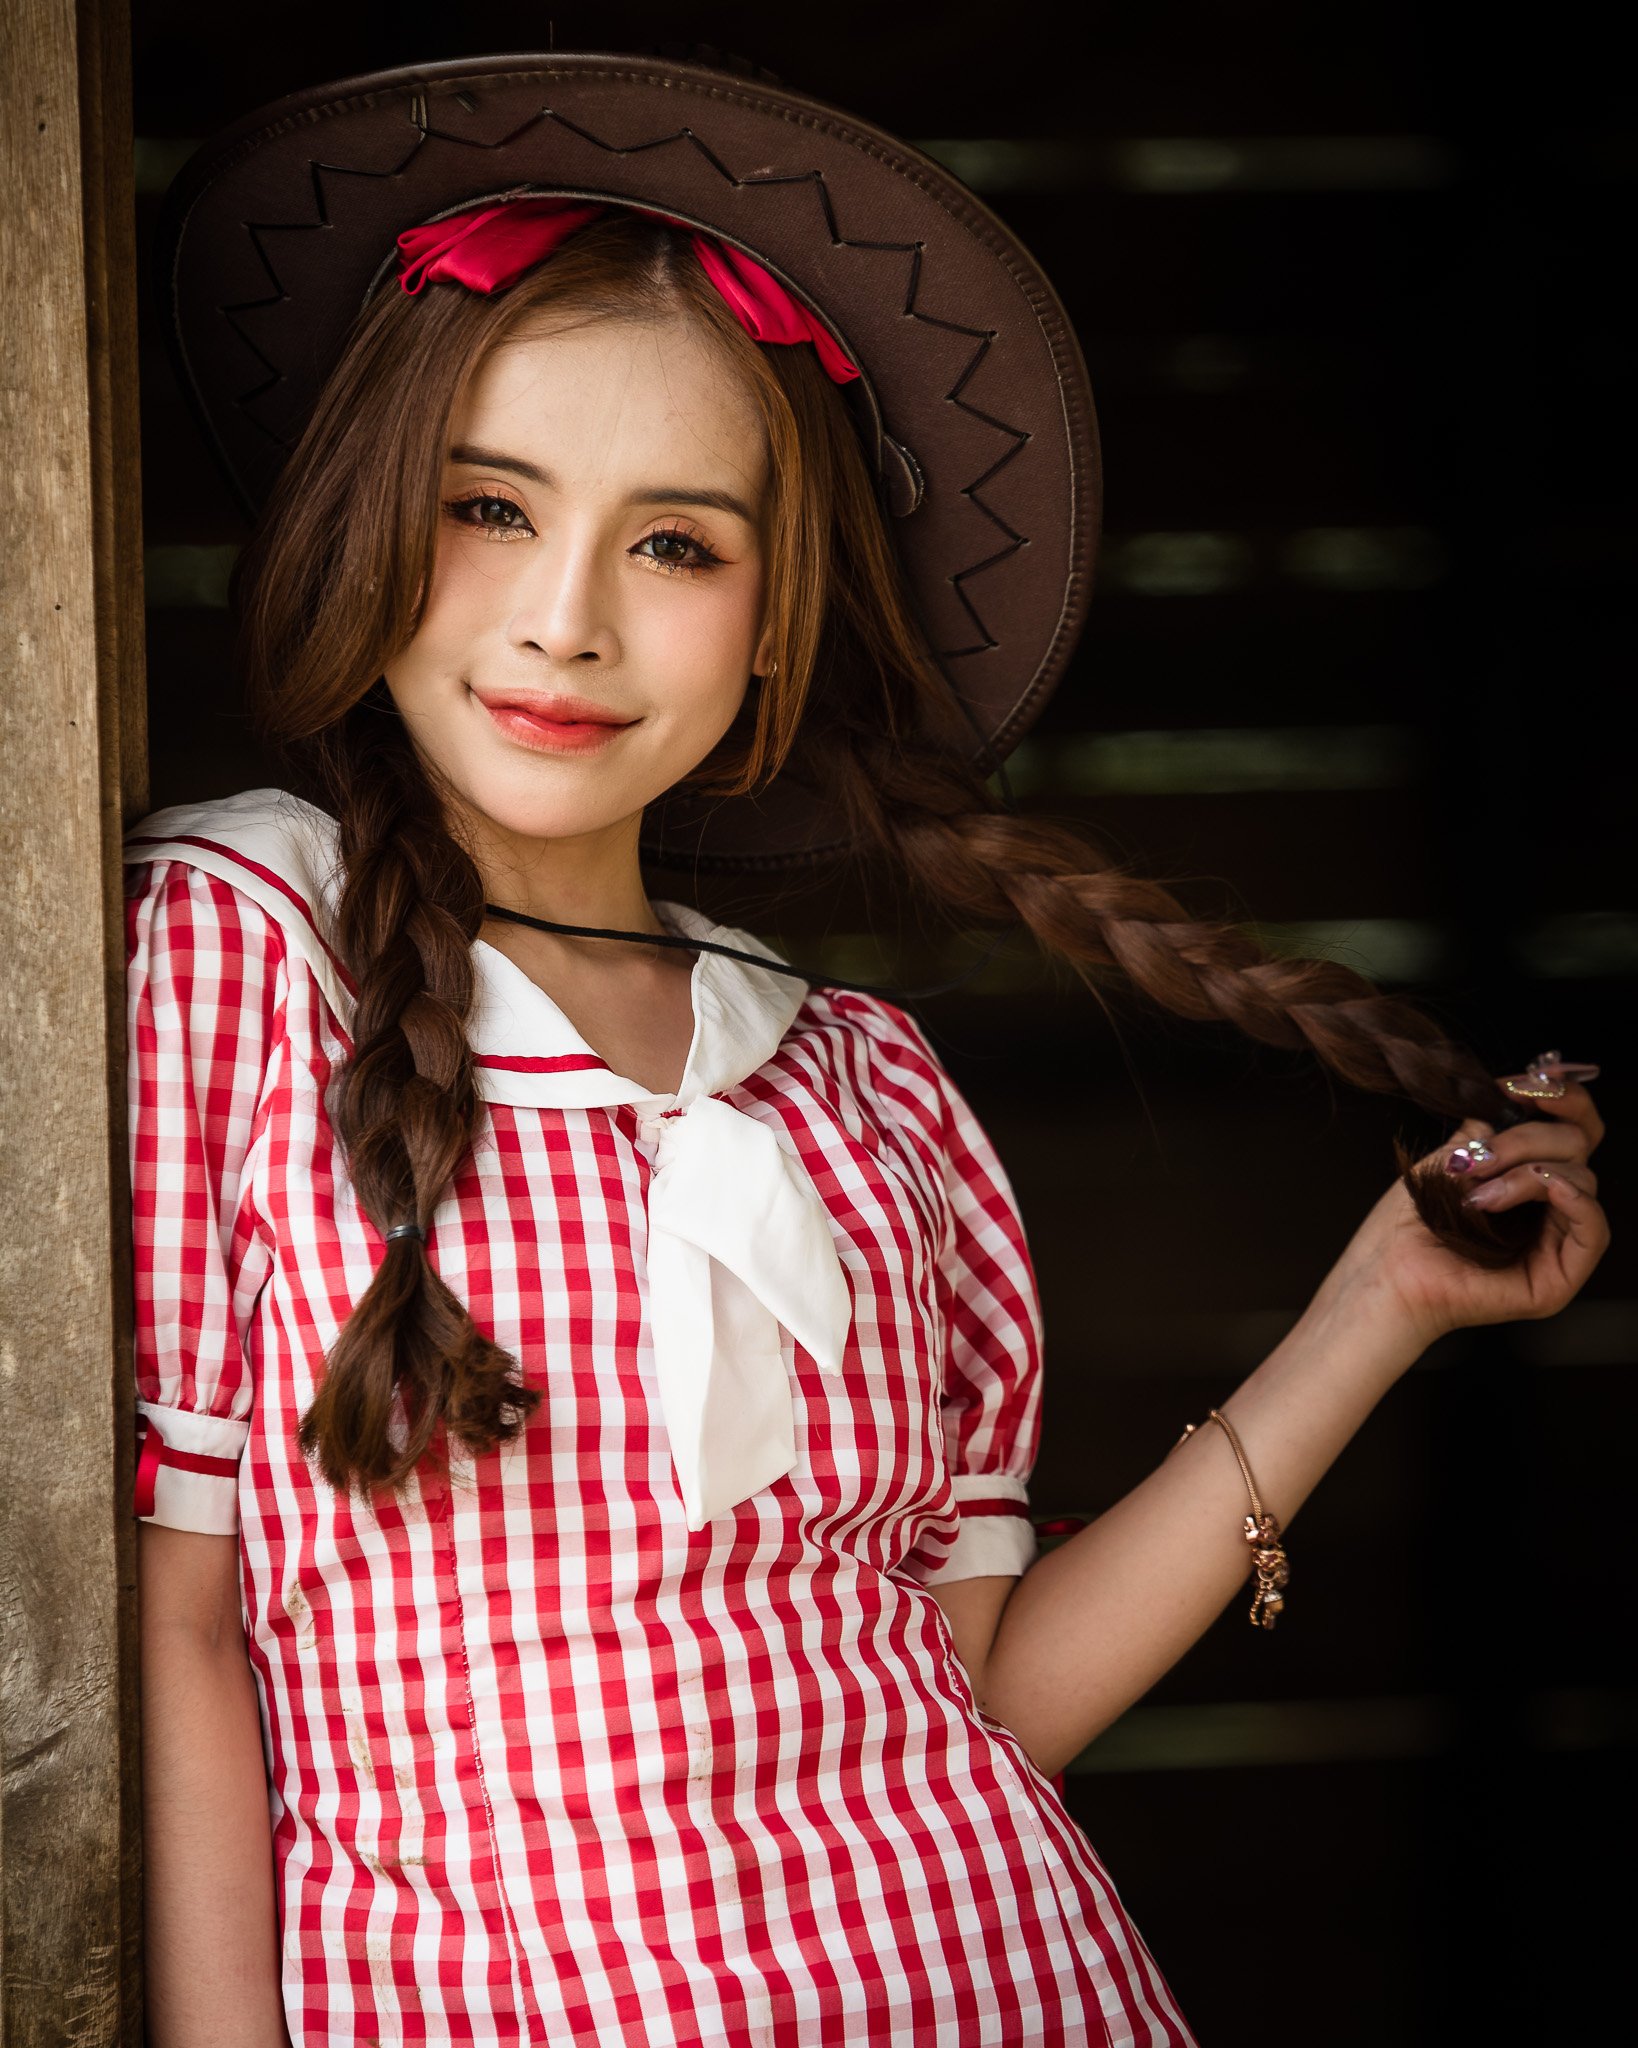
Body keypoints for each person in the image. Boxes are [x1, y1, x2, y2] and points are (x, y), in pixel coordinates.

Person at [129, 52, 1610, 2048]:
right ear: (373, 513)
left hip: (999, 1977)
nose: (563, 619)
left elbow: (983, 1696)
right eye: (492, 505)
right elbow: (183, 1631)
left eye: (674, 544)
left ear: (777, 623)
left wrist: (1380, 1304)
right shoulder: (240, 945)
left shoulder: (863, 1088)